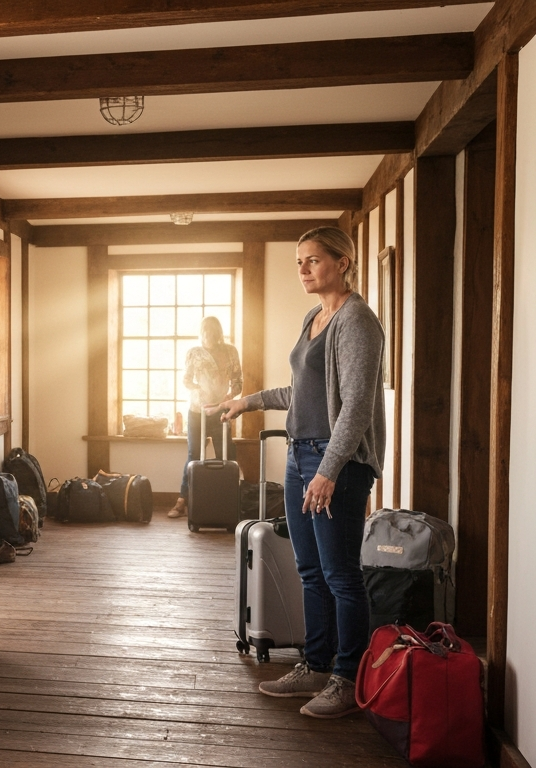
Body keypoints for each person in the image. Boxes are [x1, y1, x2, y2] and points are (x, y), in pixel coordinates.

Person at [211, 226, 385, 719]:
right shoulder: (315, 316)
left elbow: (353, 409)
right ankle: (314, 664)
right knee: (310, 570)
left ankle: (347, 680)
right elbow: (302, 394)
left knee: (341, 576)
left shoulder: (357, 322)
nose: (304, 270)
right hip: (298, 455)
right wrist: (249, 401)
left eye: (312, 260)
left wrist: (329, 470)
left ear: (343, 262)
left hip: (338, 462)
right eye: (299, 262)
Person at [169, 315, 242, 518]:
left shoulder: (230, 352)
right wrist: (198, 390)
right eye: (205, 333)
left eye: (212, 333)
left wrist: (229, 396)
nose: (208, 337)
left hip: (220, 412)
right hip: (197, 411)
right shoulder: (194, 353)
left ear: (218, 334)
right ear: (201, 334)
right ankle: (182, 501)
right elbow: (186, 380)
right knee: (194, 455)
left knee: (225, 455)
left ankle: (224, 500)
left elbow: (238, 381)